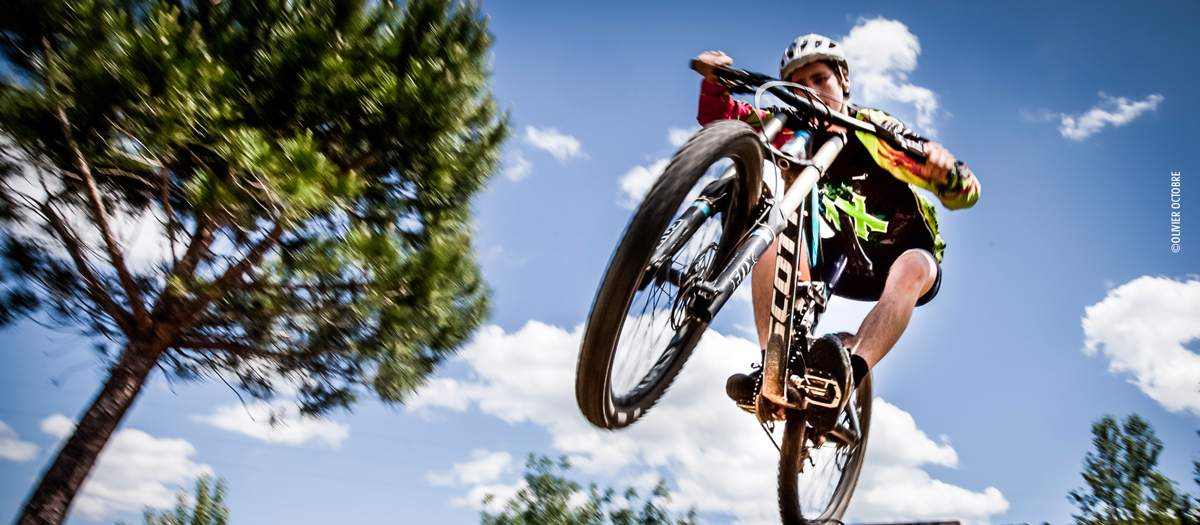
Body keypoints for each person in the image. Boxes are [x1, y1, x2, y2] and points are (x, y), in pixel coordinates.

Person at [691, 34, 980, 431]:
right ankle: (772, 365)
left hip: (900, 254)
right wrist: (713, 81)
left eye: (819, 79)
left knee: (914, 265)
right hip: (839, 261)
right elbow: (722, 121)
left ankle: (850, 373)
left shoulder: (872, 129)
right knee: (768, 230)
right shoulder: (791, 127)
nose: (810, 91)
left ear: (843, 79)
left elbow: (962, 190)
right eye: (799, 83)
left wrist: (945, 172)